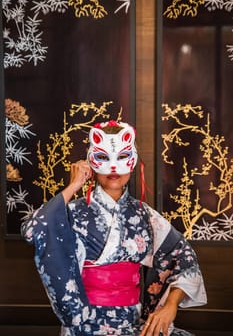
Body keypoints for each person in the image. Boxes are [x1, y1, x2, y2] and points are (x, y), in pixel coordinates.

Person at [21, 120, 207, 336]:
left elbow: (184, 258)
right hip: (84, 321)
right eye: (102, 158)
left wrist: (170, 306)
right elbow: (32, 230)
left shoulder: (144, 215)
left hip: (134, 321)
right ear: (91, 161)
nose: (113, 168)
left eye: (121, 158)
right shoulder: (72, 212)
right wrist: (73, 186)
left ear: (133, 160)